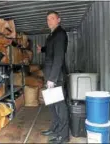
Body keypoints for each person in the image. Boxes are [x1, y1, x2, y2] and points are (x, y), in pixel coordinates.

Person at [37, 10, 69, 143]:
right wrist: (42, 49)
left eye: (52, 18)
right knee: (51, 104)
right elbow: (51, 49)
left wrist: (52, 79)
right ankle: (55, 127)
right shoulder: (52, 35)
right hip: (50, 75)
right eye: (48, 19)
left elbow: (59, 57)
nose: (49, 21)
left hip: (56, 77)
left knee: (60, 107)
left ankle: (63, 136)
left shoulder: (60, 34)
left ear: (58, 20)